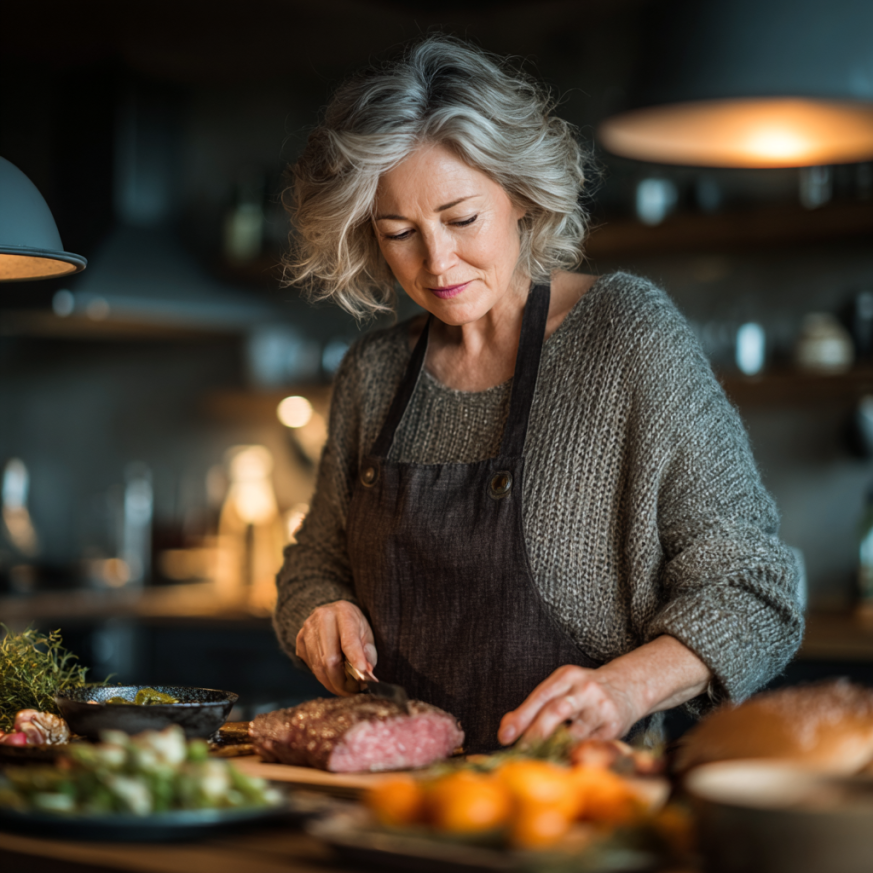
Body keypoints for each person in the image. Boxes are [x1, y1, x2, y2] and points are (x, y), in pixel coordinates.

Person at [273, 35, 803, 753]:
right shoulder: (374, 372)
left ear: (521, 194)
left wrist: (626, 687)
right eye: (399, 233)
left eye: (461, 219)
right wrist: (318, 608)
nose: (437, 262)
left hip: (568, 808)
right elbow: (313, 560)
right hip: (391, 806)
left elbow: (757, 591)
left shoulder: (624, 337)